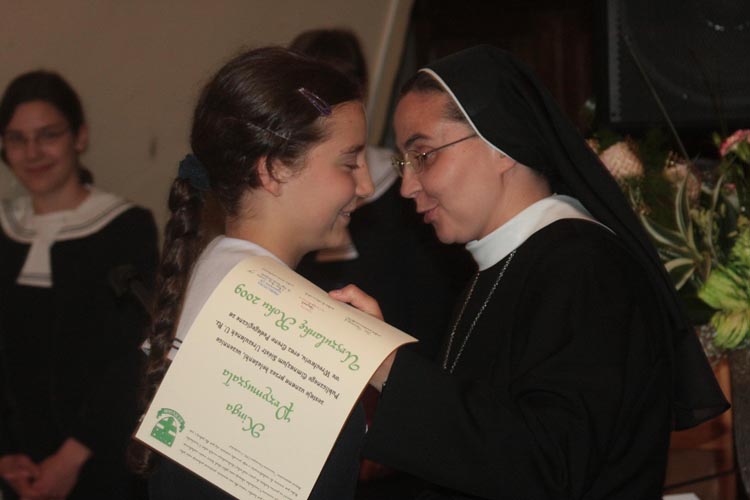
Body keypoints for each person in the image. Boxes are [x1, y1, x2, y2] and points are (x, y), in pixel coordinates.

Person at [330, 45, 730, 499]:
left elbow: (548, 464)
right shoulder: (507, 264)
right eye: (404, 163)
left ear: (499, 145)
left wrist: (388, 364)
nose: (407, 187)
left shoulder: (584, 269)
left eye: (423, 156)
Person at [137, 46, 374, 500]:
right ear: (273, 169)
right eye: (349, 162)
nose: (366, 185)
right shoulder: (281, 330)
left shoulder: (208, 279)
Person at [0, 71, 158, 499]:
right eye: (17, 139)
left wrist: (70, 460)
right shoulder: (4, 230)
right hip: (19, 468)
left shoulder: (125, 227)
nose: (33, 152)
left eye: (48, 135)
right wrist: (5, 454)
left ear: (80, 136)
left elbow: (133, 354)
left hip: (103, 460)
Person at [290, 28, 473, 362]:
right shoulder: (288, 198)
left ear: (362, 91)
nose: (364, 188)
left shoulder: (404, 191)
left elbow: (433, 303)